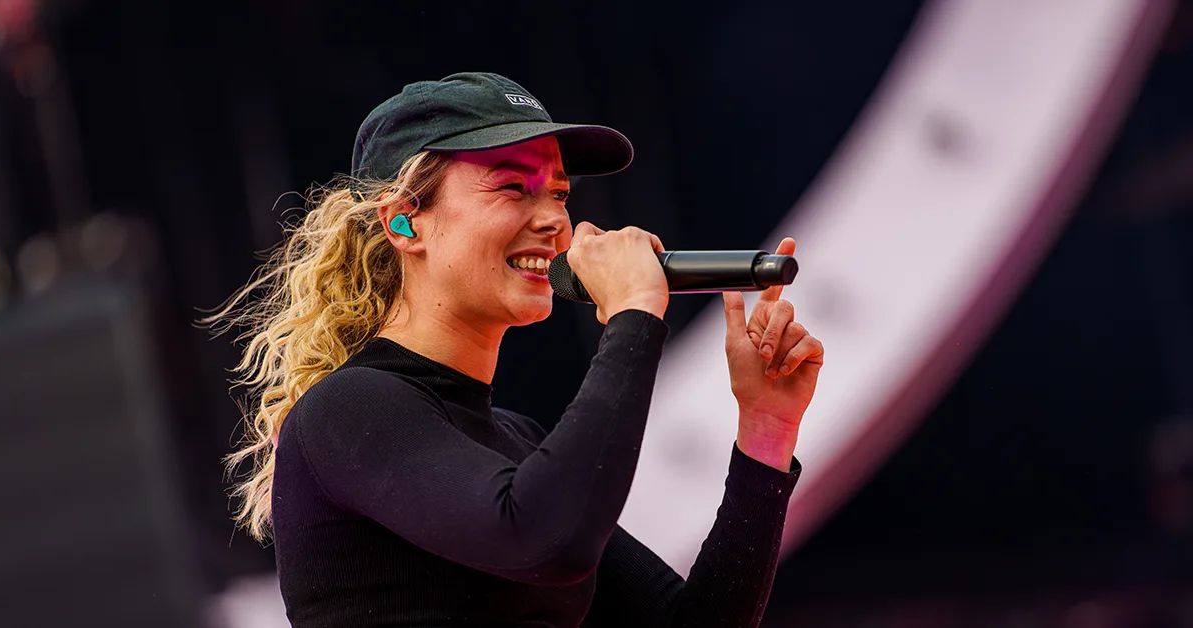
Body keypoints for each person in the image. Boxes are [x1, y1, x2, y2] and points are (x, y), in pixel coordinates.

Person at [207, 72, 824, 628]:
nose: (555, 219)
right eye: (512, 188)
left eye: (557, 193)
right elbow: (544, 540)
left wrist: (765, 436)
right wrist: (635, 313)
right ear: (403, 222)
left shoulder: (517, 440)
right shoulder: (347, 411)